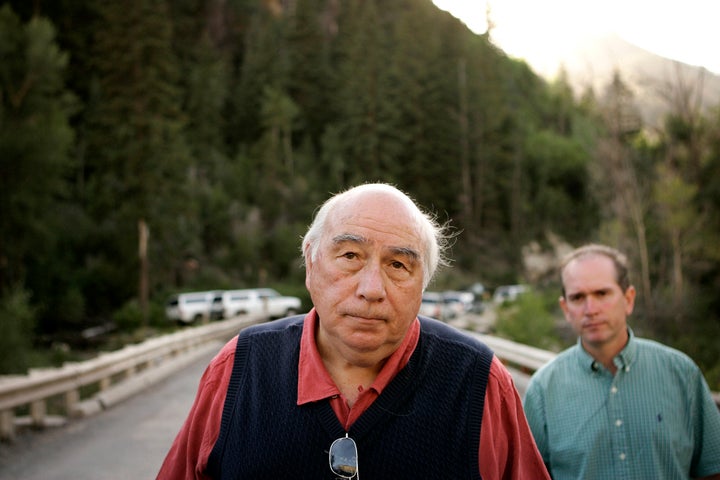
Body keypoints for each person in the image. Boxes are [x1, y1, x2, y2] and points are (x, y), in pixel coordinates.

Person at [158, 183, 550, 479]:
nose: (371, 290)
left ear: (423, 286)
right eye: (350, 256)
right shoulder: (239, 369)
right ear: (310, 265)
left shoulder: (478, 382)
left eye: (398, 265)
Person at [523, 243, 720, 479]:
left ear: (629, 299)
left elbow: (712, 468)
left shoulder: (682, 374)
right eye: (577, 297)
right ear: (565, 308)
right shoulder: (543, 391)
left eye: (602, 293)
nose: (590, 308)